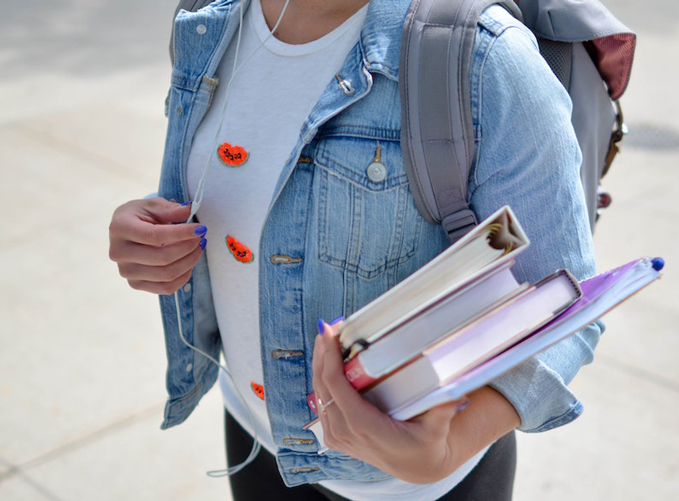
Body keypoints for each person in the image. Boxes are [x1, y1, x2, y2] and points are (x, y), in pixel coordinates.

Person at [108, 0, 603, 499]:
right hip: (252, 433)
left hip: (412, 488)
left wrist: (449, 447)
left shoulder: (484, 58)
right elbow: (225, 192)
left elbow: (563, 300)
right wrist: (150, 236)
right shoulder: (207, 18)